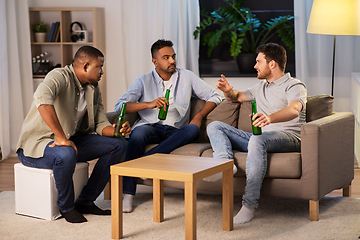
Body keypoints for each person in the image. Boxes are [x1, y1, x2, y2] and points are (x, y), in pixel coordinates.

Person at [16, 46, 131, 223]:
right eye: (99, 67)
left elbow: (100, 123)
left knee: (119, 144)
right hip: (36, 145)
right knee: (66, 152)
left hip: (69, 141)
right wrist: (61, 138)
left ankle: (86, 200)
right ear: (86, 66)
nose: (101, 72)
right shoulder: (59, 76)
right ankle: (67, 207)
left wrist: (117, 131)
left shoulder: (93, 89)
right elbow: (42, 98)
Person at [114, 39, 223, 212]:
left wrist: (199, 116)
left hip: (177, 130)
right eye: (166, 57)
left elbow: (216, 95)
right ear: (155, 61)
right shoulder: (143, 80)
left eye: (173, 56)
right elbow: (120, 106)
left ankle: (143, 163)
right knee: (138, 135)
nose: (172, 61)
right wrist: (148, 104)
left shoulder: (187, 76)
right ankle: (128, 194)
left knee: (193, 129)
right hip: (150, 126)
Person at [205, 43, 307, 224]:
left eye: (259, 62)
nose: (255, 66)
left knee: (257, 141)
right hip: (260, 139)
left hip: (290, 137)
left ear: (272, 64)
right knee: (215, 126)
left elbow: (294, 110)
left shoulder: (294, 85)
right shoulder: (261, 87)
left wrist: (270, 118)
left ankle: (249, 206)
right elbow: (237, 96)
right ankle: (224, 164)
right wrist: (228, 91)